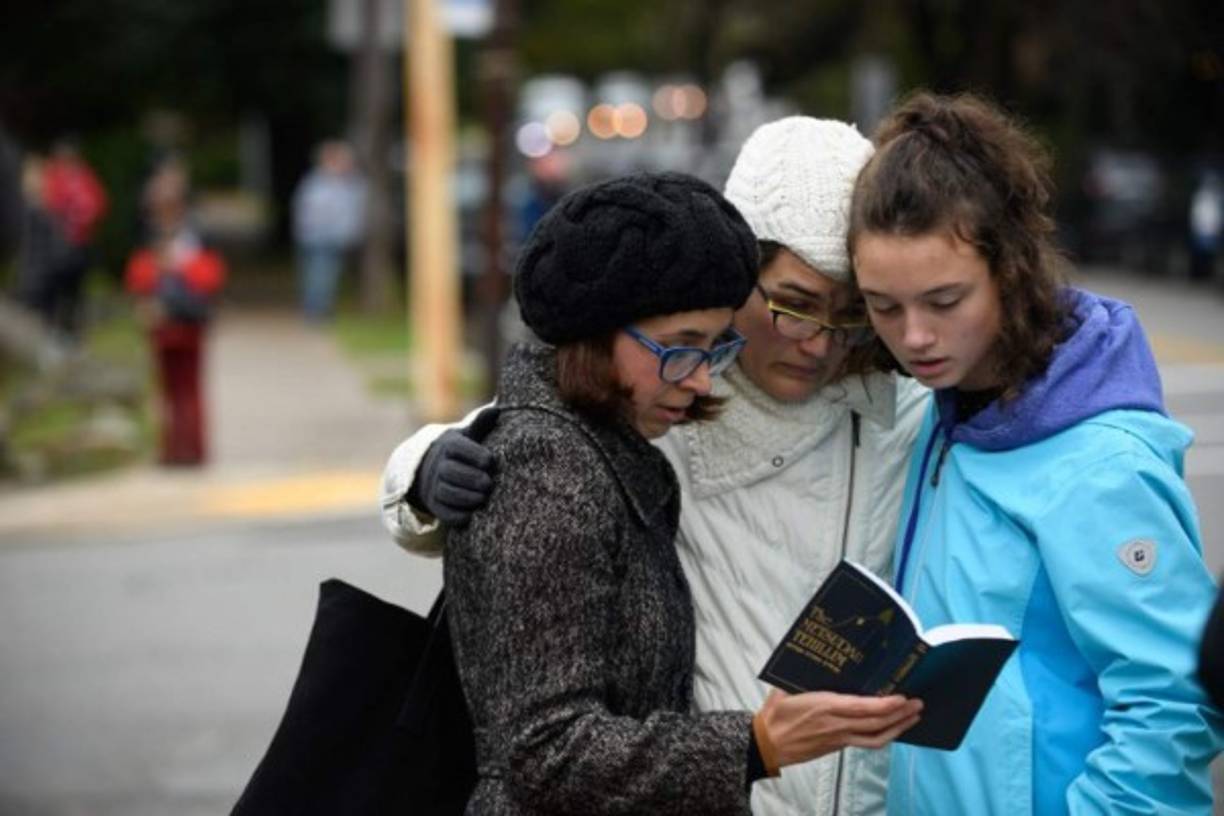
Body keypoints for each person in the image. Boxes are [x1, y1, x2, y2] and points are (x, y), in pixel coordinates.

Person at [382, 120, 930, 816]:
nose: (817, 343)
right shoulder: (660, 387)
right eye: (794, 305)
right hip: (706, 782)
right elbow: (528, 439)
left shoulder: (900, 407)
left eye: (850, 314)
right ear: (737, 276)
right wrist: (423, 471)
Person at [847, 91, 1224, 815]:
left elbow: (1174, 702)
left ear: (1012, 268)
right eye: (883, 306)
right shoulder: (944, 406)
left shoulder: (1104, 463)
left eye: (945, 300)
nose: (913, 335)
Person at [124, 161, 225, 466]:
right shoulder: (147, 233)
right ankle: (172, 447)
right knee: (168, 387)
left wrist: (175, 267)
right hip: (160, 318)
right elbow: (138, 277)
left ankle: (192, 448)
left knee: (189, 385)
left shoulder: (196, 231)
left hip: (189, 316)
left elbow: (210, 275)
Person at [40, 138, 108, 341]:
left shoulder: (84, 177)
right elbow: (49, 207)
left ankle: (73, 332)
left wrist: (84, 219)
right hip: (58, 244)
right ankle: (56, 331)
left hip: (79, 244)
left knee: (75, 290)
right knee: (56, 289)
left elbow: (99, 204)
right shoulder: (54, 177)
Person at [291, 140, 365, 322]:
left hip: (336, 237)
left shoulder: (350, 184)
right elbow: (311, 212)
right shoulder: (317, 184)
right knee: (319, 275)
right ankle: (315, 312)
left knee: (327, 276)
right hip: (319, 237)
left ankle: (320, 309)